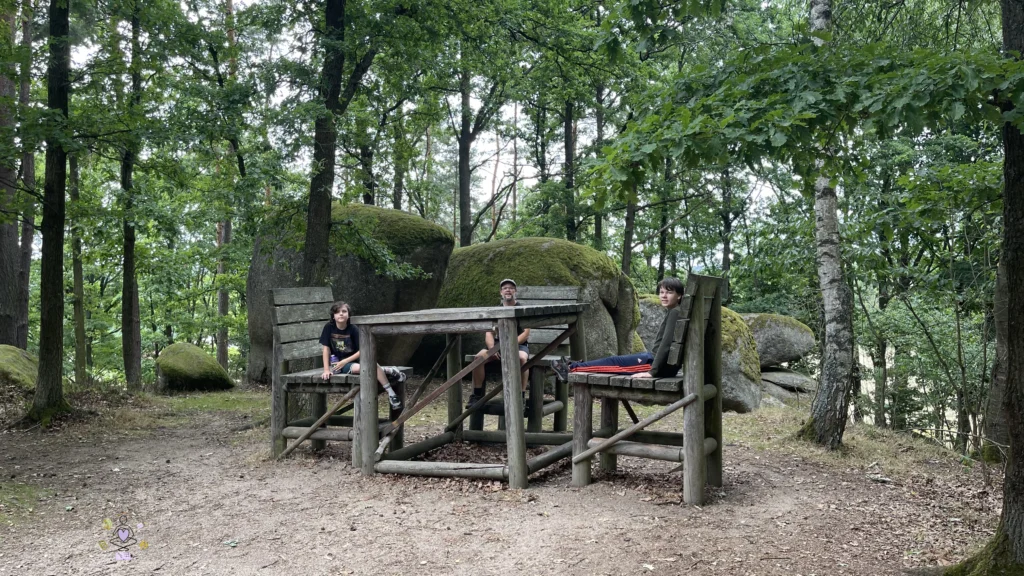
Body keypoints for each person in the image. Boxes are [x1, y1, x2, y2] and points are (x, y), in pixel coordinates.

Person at [551, 277, 685, 381]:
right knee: (614, 360)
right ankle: (574, 366)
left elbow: (666, 344)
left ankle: (570, 369)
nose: (664, 296)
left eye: (669, 292)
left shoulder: (675, 313)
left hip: (655, 365)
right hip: (654, 361)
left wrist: (652, 372)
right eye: (662, 292)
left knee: (614, 363)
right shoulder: (675, 311)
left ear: (679, 295)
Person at [319, 301, 405, 410]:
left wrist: (346, 361)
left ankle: (391, 393)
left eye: (344, 311)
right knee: (363, 368)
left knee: (371, 364)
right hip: (339, 363)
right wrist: (326, 369)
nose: (341, 314)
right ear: (333, 316)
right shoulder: (328, 328)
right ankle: (388, 370)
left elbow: (363, 350)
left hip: (356, 358)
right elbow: (326, 349)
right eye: (337, 312)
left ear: (349, 314)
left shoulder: (353, 329)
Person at [466, 279, 531, 409]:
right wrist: (492, 349)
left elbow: (525, 333)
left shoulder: (523, 309)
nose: (508, 290)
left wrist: (509, 345)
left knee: (522, 358)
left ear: (515, 291)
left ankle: (521, 396)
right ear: (501, 292)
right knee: (478, 357)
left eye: (511, 288)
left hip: (518, 345)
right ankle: (476, 395)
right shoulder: (495, 310)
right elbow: (489, 333)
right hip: (497, 345)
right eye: (505, 288)